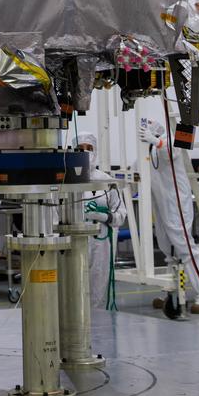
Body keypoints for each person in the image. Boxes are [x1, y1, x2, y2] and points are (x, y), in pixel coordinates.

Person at [139, 114, 199, 314]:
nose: (148, 127)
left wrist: (156, 140)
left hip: (176, 202)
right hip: (161, 203)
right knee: (167, 249)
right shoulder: (151, 147)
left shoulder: (171, 140)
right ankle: (172, 291)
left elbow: (171, 153)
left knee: (185, 248)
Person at [77, 132, 124, 307]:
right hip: (75, 241)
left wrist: (105, 216)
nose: (86, 152)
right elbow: (54, 215)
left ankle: (100, 326)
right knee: (75, 284)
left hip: (101, 241)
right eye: (80, 149)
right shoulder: (65, 179)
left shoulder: (106, 180)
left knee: (98, 282)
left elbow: (121, 214)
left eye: (90, 148)